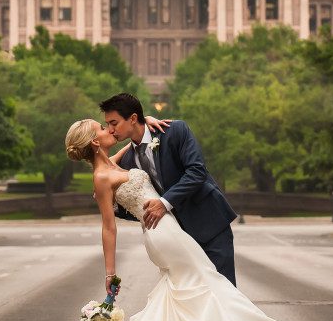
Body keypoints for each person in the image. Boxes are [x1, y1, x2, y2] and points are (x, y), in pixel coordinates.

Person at [64, 113, 305, 321]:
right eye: (103, 128)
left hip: (169, 230)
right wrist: (110, 274)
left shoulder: (111, 163)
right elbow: (108, 227)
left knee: (190, 294)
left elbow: (134, 145)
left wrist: (144, 121)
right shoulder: (102, 177)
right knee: (209, 286)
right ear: (94, 141)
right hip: (163, 234)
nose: (110, 129)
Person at [100, 93, 238, 286]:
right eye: (107, 125)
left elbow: (197, 171)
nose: (110, 129)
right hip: (176, 241)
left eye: (114, 123)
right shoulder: (127, 160)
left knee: (225, 293)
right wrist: (113, 204)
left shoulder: (174, 131)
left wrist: (165, 203)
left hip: (209, 225)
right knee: (193, 300)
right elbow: (142, 205)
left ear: (132, 118)